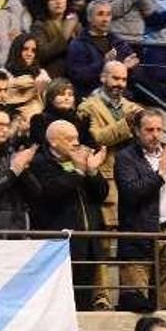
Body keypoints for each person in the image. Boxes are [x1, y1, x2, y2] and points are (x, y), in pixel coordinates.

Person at [77, 60, 143, 309]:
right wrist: (125, 125)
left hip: (131, 180)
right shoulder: (88, 107)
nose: (120, 84)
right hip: (104, 179)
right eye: (115, 79)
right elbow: (95, 138)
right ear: (103, 77)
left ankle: (131, 295)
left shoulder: (133, 106)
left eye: (124, 80)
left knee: (130, 240)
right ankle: (101, 296)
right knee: (103, 241)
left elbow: (144, 136)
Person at [116, 108, 166, 312]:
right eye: (149, 130)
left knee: (165, 300)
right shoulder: (125, 157)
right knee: (136, 300)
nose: (155, 135)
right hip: (138, 234)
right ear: (136, 131)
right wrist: (159, 174)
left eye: (159, 129)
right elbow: (131, 192)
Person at [28, 119, 107, 310]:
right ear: (53, 141)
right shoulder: (40, 163)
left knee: (83, 303)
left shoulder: (81, 161)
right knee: (58, 305)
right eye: (69, 139)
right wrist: (79, 171)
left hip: (87, 244)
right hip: (58, 246)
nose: (76, 143)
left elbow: (101, 194)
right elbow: (51, 193)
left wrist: (92, 171)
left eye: (77, 138)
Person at [67, 0, 138, 98]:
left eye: (108, 14)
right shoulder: (78, 44)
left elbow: (132, 75)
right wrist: (103, 64)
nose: (105, 19)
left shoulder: (119, 43)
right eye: (100, 14)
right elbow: (78, 76)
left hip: (121, 95)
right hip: (92, 96)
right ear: (89, 18)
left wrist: (128, 68)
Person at [30, 0, 81, 79]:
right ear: (45, 2)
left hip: (75, 75)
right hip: (52, 77)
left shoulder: (74, 22)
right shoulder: (39, 26)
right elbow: (42, 54)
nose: (58, 2)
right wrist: (64, 36)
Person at [3, 34, 49, 141]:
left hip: (37, 123)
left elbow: (49, 102)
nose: (29, 54)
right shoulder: (4, 74)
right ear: (17, 50)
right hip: (11, 122)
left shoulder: (41, 74)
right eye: (25, 49)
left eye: (33, 51)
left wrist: (41, 91)